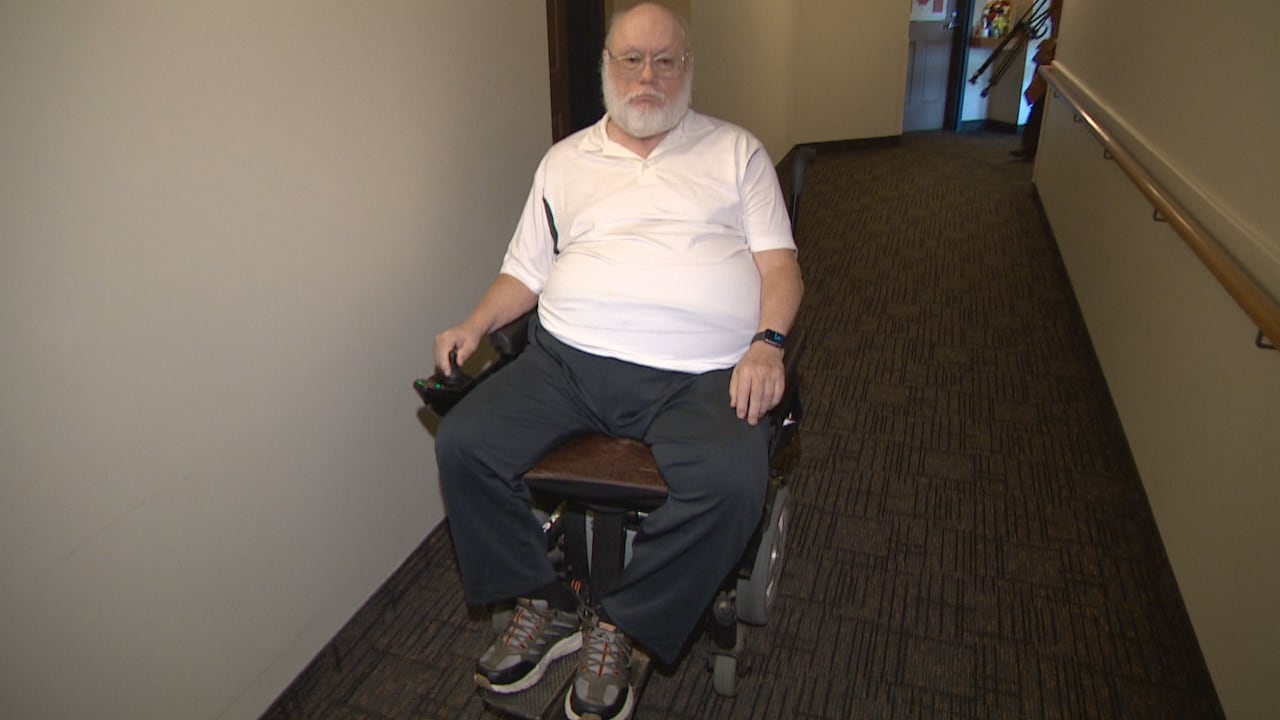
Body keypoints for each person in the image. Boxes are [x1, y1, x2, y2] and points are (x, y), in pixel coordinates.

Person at [431, 4, 803, 719]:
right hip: (568, 364)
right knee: (464, 445)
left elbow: (780, 266)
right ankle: (547, 601)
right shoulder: (564, 163)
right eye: (631, 59)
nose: (647, 77)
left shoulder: (736, 153)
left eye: (666, 60)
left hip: (699, 375)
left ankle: (622, 625)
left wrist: (769, 343)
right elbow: (524, 271)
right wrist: (476, 322)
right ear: (607, 65)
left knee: (732, 482)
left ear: (688, 67)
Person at [1011, 0, 1063, 160]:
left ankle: (1031, 147)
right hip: (1050, 57)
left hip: (1054, 57)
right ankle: (1029, 146)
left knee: (1040, 106)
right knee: (1038, 106)